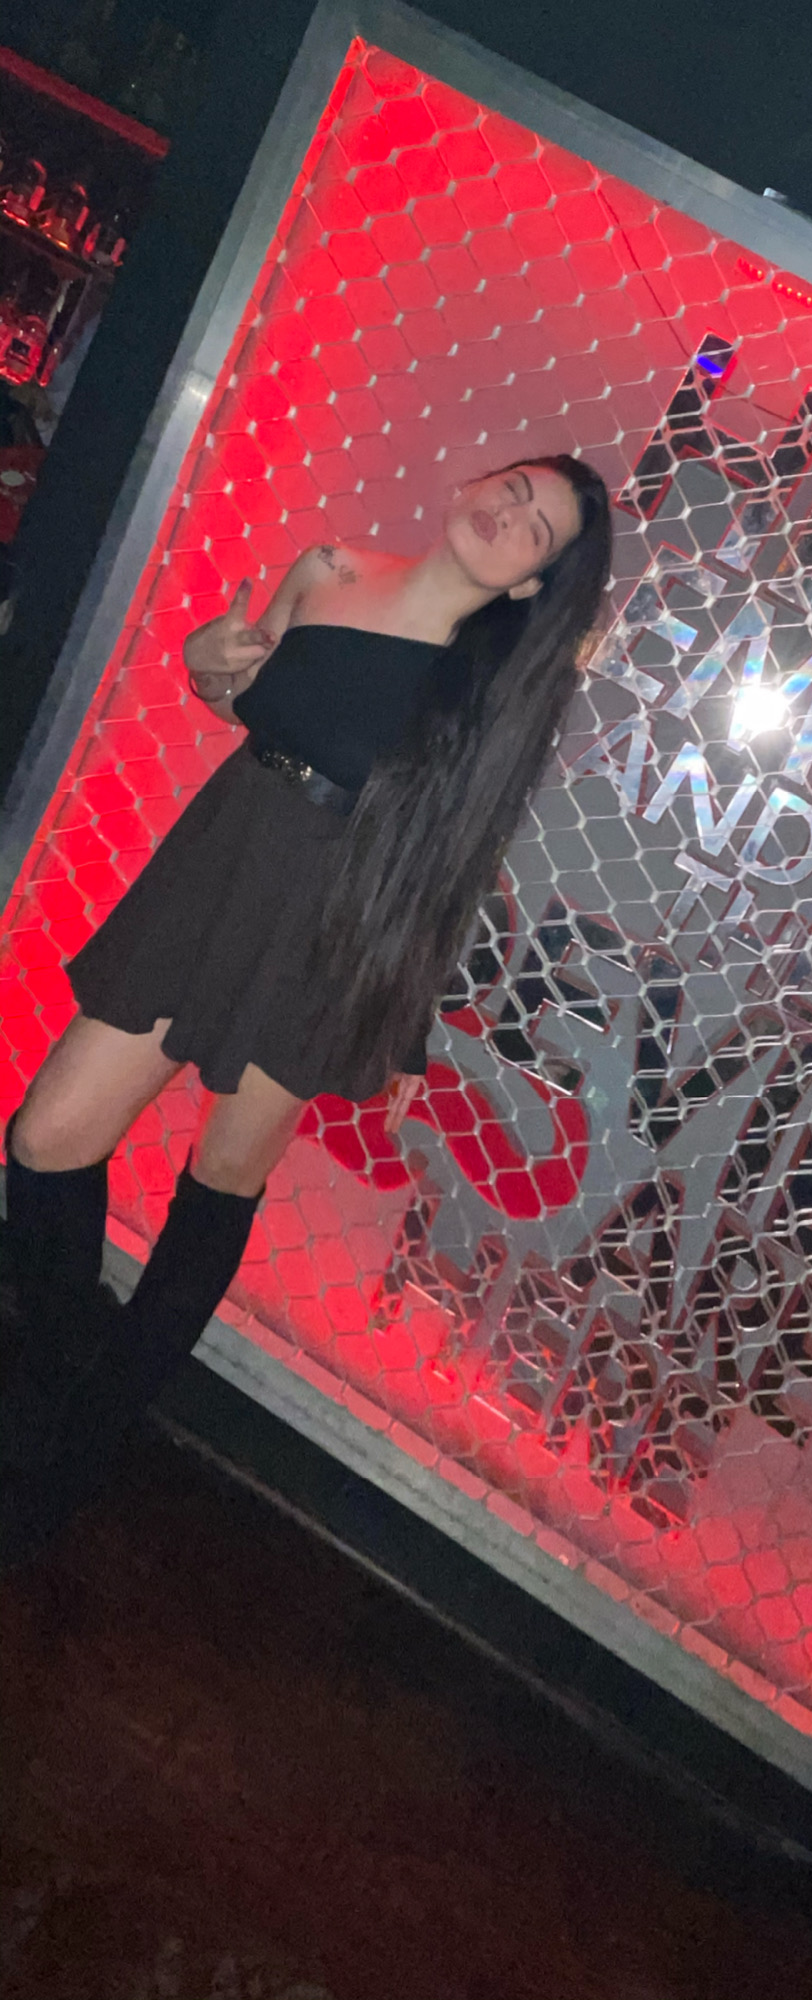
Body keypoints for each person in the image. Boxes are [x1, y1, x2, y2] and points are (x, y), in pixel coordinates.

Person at [2, 453, 612, 1552]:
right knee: (47, 1138)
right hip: (222, 861)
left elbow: (452, 866)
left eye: (536, 528)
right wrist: (205, 668)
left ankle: (73, 1443)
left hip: (339, 929)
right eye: (514, 487)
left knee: (219, 1176)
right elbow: (245, 693)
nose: (507, 512)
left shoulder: (497, 686)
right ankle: (61, 1380)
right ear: (475, 480)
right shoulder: (328, 570)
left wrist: (387, 1010)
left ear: (532, 582)